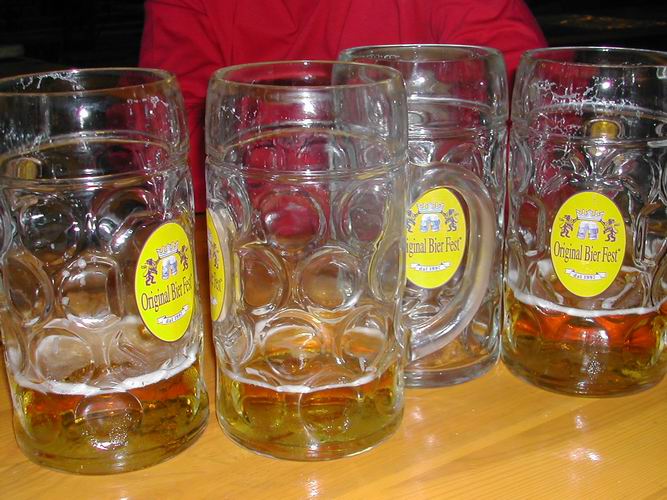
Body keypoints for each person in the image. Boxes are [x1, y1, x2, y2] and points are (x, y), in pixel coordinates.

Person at [139, 0, 547, 210]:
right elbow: (163, 149)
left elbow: (538, 131)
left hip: (424, 255)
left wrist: (271, 140)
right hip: (258, 267)